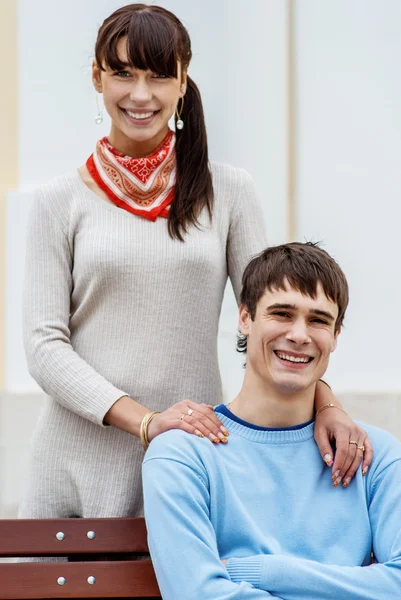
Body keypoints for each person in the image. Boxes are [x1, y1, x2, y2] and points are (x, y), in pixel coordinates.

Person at [20, 4, 369, 525]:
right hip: (73, 470)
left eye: (160, 75)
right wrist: (147, 422)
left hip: (196, 459)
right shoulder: (57, 202)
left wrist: (328, 406)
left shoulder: (230, 191)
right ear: (97, 77)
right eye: (122, 73)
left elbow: (274, 317)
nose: (141, 94)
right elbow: (44, 347)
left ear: (183, 82)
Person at [143, 241, 401, 600]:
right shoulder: (182, 455)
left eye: (318, 320)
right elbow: (198, 593)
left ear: (336, 336)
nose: (299, 335)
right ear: (245, 318)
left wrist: (267, 570)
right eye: (281, 313)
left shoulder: (375, 455)